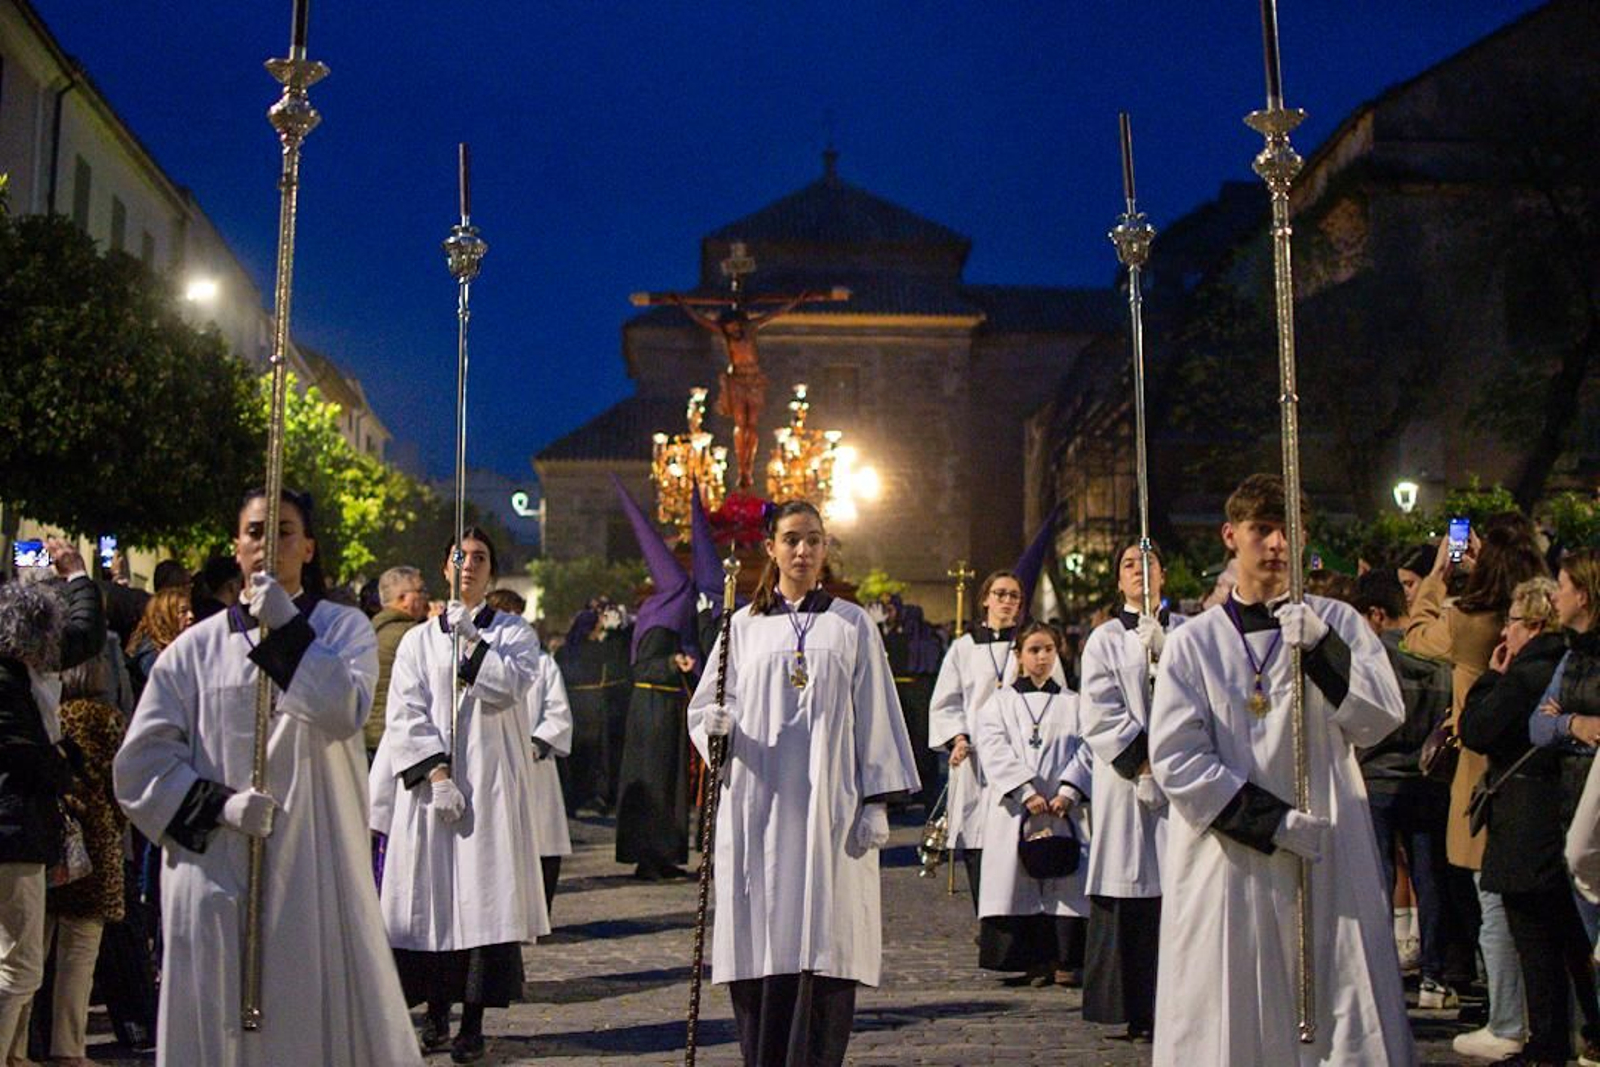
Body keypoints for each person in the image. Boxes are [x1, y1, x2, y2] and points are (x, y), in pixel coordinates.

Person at [113, 489, 421, 1067]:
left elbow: (341, 710)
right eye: (255, 532)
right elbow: (139, 766)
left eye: (283, 531)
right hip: (215, 869)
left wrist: (284, 628)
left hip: (310, 865)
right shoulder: (192, 652)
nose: (267, 545)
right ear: (236, 546)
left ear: (307, 547)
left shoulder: (342, 630)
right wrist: (216, 807)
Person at [1147, 473, 1411, 1065]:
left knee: (1336, 992)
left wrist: (1323, 651)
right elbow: (1177, 759)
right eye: (1262, 529)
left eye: (1288, 530)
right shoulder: (1195, 644)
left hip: (1327, 847)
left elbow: (1380, 719)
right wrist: (1270, 822)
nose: (1276, 544)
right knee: (1234, 1000)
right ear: (1230, 536)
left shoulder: (1336, 623)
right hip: (1233, 856)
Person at [688, 500, 920, 1067]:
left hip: (829, 810)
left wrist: (876, 800)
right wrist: (713, 726)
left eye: (813, 540)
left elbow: (876, 713)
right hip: (758, 807)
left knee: (825, 934)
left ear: (825, 548)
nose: (803, 550)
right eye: (791, 539)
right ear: (770, 548)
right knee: (764, 933)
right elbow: (710, 709)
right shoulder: (741, 628)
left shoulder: (850, 624)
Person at [371, 527, 547, 1064]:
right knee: (433, 898)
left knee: (480, 901)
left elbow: (508, 688)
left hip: (490, 787)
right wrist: (437, 775)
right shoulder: (418, 641)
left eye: (479, 558)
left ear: (491, 571)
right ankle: (434, 1011)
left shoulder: (515, 634)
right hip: (431, 793)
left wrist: (472, 641)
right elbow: (405, 712)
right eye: (459, 556)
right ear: (445, 568)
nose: (468, 565)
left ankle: (473, 1020)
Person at [1407, 517, 1548, 1062]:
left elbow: (1418, 635)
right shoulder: (1543, 620)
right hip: (1542, 771)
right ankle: (1547, 1016)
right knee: (1542, 908)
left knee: (1493, 905)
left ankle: (1507, 1018)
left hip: (1485, 773)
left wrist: (1441, 573)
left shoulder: (1471, 623)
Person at [1460, 576, 1600, 1067]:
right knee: (1571, 939)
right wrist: (1563, 724)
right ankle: (1585, 1035)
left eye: (1513, 622)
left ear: (1533, 623)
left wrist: (1492, 677)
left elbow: (1476, 729)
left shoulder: (1525, 673)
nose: (1505, 632)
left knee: (1537, 940)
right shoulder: (1566, 661)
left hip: (1525, 821)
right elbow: (1544, 726)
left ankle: (1546, 1043)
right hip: (1564, 812)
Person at [0, 538, 105, 1062]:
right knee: (20, 966)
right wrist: (63, 770)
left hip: (19, 827)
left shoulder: (19, 673)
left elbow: (83, 638)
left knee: (15, 959)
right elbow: (23, 755)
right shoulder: (10, 681)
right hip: (12, 830)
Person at [1078, 541, 1185, 1042]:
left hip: (1183, 783)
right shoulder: (1103, 640)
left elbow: (1202, 701)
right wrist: (1142, 764)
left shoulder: (1188, 633)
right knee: (1132, 890)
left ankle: (1180, 1007)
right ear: (1119, 582)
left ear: (1163, 575)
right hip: (1126, 787)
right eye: (1128, 566)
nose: (1139, 572)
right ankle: (1133, 1006)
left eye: (1148, 563)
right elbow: (1100, 712)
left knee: (1178, 893)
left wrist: (1168, 653)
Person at [1349, 567, 1456, 1009]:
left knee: (1378, 877)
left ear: (1375, 615)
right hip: (1427, 782)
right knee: (1430, 880)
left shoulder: (1373, 661)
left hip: (1376, 781)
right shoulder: (1434, 656)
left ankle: (1378, 974)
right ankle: (1434, 977)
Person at [14, 655, 125, 1067]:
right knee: (80, 949)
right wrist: (118, 820)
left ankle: (17, 1045)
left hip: (53, 833)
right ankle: (69, 1047)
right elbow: (123, 782)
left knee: (30, 946)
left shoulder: (46, 712)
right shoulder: (107, 718)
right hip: (96, 842)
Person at [973, 621, 1092, 988]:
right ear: (1020, 656)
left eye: (1049, 650)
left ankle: (1065, 960)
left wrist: (1068, 791)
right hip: (1019, 810)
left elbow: (1088, 747)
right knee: (1018, 881)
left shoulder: (1075, 704)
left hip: (1062, 808)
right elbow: (993, 748)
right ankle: (1030, 960)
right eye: (1034, 650)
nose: (1042, 658)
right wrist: (1026, 791)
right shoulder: (1000, 704)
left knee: (1066, 886)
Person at [612, 482, 699, 881]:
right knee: (654, 783)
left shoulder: (661, 611)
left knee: (669, 783)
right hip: (651, 710)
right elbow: (642, 667)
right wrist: (672, 662)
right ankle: (649, 857)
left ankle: (664, 855)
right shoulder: (657, 615)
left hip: (663, 707)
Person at [930, 570, 1027, 908]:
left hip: (1018, 756)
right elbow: (946, 700)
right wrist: (957, 738)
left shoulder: (1028, 643)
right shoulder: (965, 646)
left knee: (1013, 836)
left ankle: (1013, 916)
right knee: (977, 835)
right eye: (1000, 594)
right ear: (986, 599)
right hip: (974, 757)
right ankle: (985, 917)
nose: (1006, 601)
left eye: (1013, 595)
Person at [487, 588, 573, 915]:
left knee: (542, 841)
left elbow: (557, 711)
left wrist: (538, 743)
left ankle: (541, 912)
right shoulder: (480, 662)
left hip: (535, 765)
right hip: (495, 765)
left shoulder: (541, 663)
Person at [880, 597, 944, 810]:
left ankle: (912, 795)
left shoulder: (904, 638)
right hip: (915, 696)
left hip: (912, 698)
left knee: (916, 746)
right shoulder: (924, 637)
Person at [368, 565, 429, 761]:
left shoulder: (368, 630)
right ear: (403, 598)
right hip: (393, 738)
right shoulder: (412, 635)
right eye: (420, 591)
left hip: (365, 735)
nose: (425, 598)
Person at [124, 588, 193, 704]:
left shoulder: (177, 650)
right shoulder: (152, 656)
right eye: (183, 612)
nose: (191, 616)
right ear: (165, 616)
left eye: (190, 610)